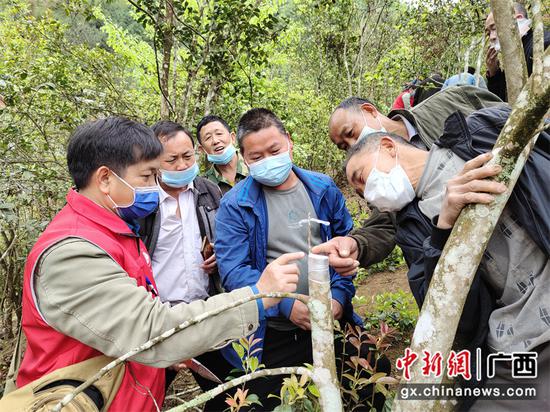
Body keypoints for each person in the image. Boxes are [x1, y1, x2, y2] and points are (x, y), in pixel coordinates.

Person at [14, 117, 302, 410]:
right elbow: (151, 332)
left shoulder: (117, 231)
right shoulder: (74, 252)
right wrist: (257, 295)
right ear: (105, 179)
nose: (156, 185)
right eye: (148, 175)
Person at [343, 106, 549, 411]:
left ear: (388, 147)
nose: (367, 195)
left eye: (360, 178)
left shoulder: (479, 132)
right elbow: (446, 314)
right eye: (360, 194)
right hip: (519, 339)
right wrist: (442, 229)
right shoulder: (413, 229)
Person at [215, 108, 387, 410]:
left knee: (374, 385)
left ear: (289, 142)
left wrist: (338, 298)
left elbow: (343, 247)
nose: (268, 160)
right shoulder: (234, 205)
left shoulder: (322, 188)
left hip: (333, 319)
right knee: (270, 401)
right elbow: (234, 271)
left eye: (274, 150)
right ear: (243, 158)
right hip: (275, 331)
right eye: (256, 157)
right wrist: (285, 305)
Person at [313, 88, 503, 275]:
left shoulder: (450, 102)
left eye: (351, 133)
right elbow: (383, 225)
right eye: (344, 146)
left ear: (369, 111)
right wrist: (356, 244)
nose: (354, 145)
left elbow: (514, 123)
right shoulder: (384, 181)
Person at [138, 121, 232, 410]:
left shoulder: (209, 191)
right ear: (154, 162)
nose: (181, 165)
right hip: (159, 320)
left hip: (205, 313)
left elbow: (225, 239)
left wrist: (221, 257)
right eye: (172, 159)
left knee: (229, 394)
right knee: (145, 398)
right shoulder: (141, 201)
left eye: (188, 156)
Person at [485, 2, 550, 102]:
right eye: (488, 33)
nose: (492, 37)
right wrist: (494, 73)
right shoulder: (512, 57)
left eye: (494, 28)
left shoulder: (542, 43)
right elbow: (500, 101)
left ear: (518, 19)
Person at [196, 114, 248, 195]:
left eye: (219, 133)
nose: (215, 141)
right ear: (202, 149)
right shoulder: (204, 185)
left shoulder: (254, 165)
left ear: (233, 138)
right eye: (208, 138)